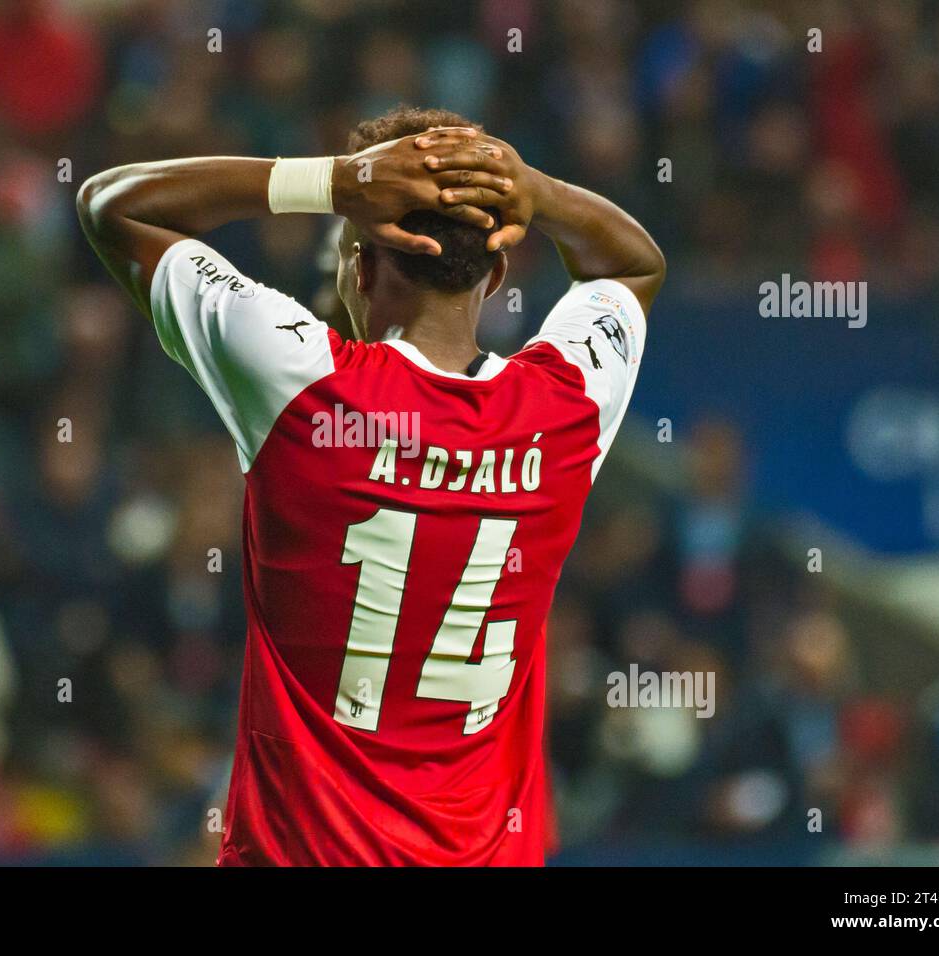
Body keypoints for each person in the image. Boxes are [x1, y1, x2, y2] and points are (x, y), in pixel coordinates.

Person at [77, 105, 664, 865]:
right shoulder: (565, 408)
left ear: (357, 265)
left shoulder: (300, 380)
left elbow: (110, 205)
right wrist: (535, 190)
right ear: (497, 270)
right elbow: (632, 264)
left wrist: (332, 182)